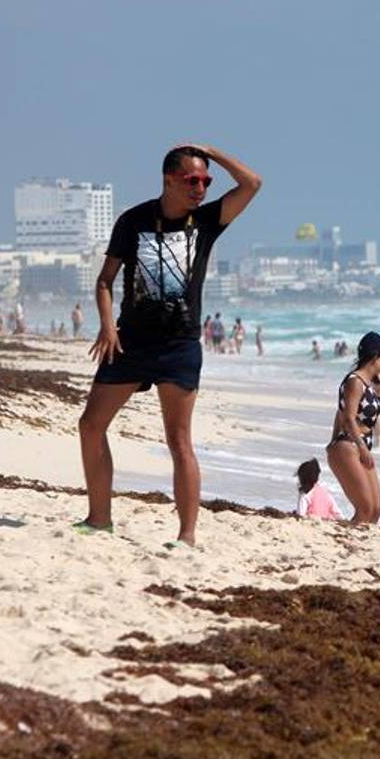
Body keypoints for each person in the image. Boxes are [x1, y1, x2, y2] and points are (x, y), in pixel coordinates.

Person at [76, 143, 262, 548]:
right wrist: (107, 326)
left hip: (179, 346)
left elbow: (252, 183)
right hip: (130, 342)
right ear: (169, 180)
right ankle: (99, 518)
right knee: (90, 425)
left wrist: (211, 151)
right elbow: (105, 280)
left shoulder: (209, 220)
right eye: (192, 180)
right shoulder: (133, 221)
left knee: (179, 440)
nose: (201, 188)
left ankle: (187, 536)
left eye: (206, 181)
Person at [327, 332, 380, 523]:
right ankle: (345, 543)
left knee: (376, 510)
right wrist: (356, 446)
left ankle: (360, 543)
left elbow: (340, 413)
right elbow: (348, 417)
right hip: (350, 445)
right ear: (377, 356)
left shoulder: (367, 384)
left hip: (360, 447)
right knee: (365, 508)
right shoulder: (355, 381)